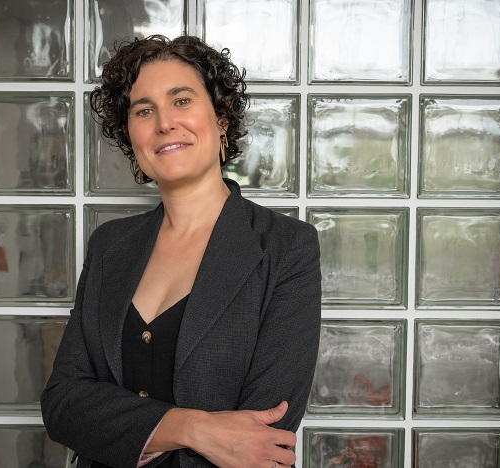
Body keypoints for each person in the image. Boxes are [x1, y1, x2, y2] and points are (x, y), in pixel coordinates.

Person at [40, 34, 322, 468]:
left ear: (221, 119)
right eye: (144, 110)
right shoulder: (109, 246)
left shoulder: (285, 248)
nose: (164, 123)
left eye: (182, 100)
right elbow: (63, 403)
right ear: (129, 134)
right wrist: (193, 428)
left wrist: (125, 427)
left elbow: (263, 436)